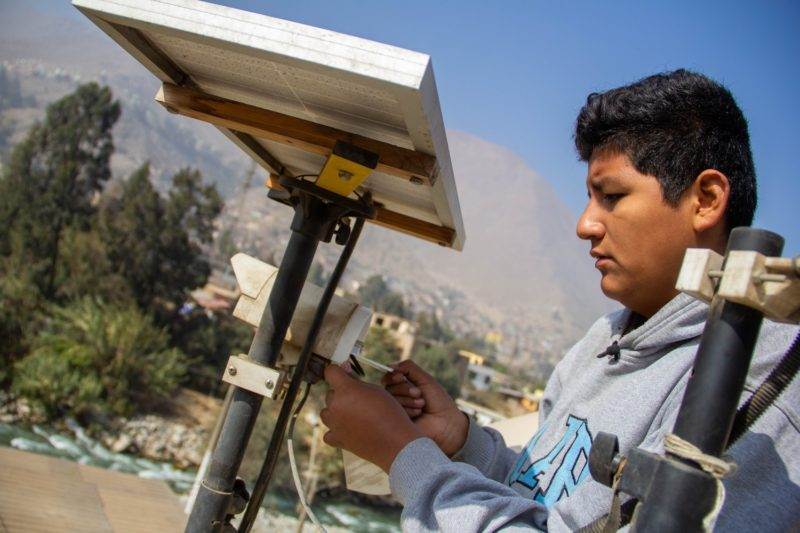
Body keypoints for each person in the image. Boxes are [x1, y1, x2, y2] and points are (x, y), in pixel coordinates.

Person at [319, 70, 800, 531]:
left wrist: (404, 457)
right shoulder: (606, 336)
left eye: (611, 195)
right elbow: (548, 500)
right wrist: (462, 443)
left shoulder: (756, 381)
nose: (585, 224)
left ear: (707, 199)